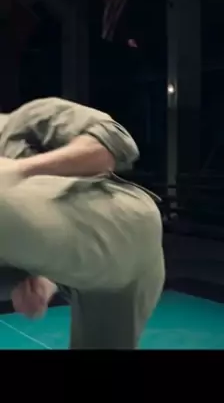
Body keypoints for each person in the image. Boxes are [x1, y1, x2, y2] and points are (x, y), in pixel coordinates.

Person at [0, 97, 165, 349]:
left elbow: (108, 145)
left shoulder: (24, 120)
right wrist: (39, 282)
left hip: (124, 220)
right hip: (91, 273)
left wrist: (20, 169)